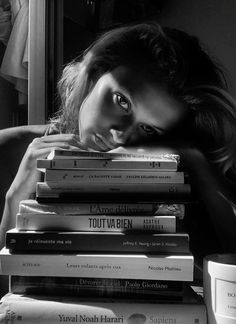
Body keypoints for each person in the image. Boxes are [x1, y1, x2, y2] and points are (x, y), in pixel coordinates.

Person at [0, 22, 235, 253]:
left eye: (149, 129)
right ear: (96, 73)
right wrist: (15, 199)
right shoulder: (8, 150)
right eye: (122, 101)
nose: (121, 135)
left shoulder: (172, 181)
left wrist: (199, 164)